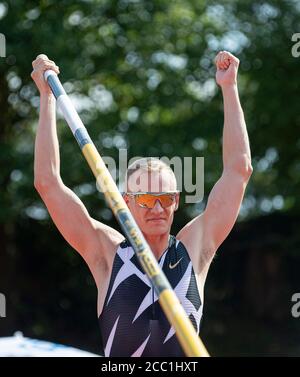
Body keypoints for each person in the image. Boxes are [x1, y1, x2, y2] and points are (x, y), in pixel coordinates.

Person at [31, 50, 253, 357]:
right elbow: (47, 183)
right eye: (147, 199)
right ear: (126, 202)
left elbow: (238, 170)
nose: (157, 208)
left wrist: (229, 88)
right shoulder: (106, 254)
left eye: (165, 199)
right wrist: (47, 98)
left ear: (176, 202)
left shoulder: (194, 247)